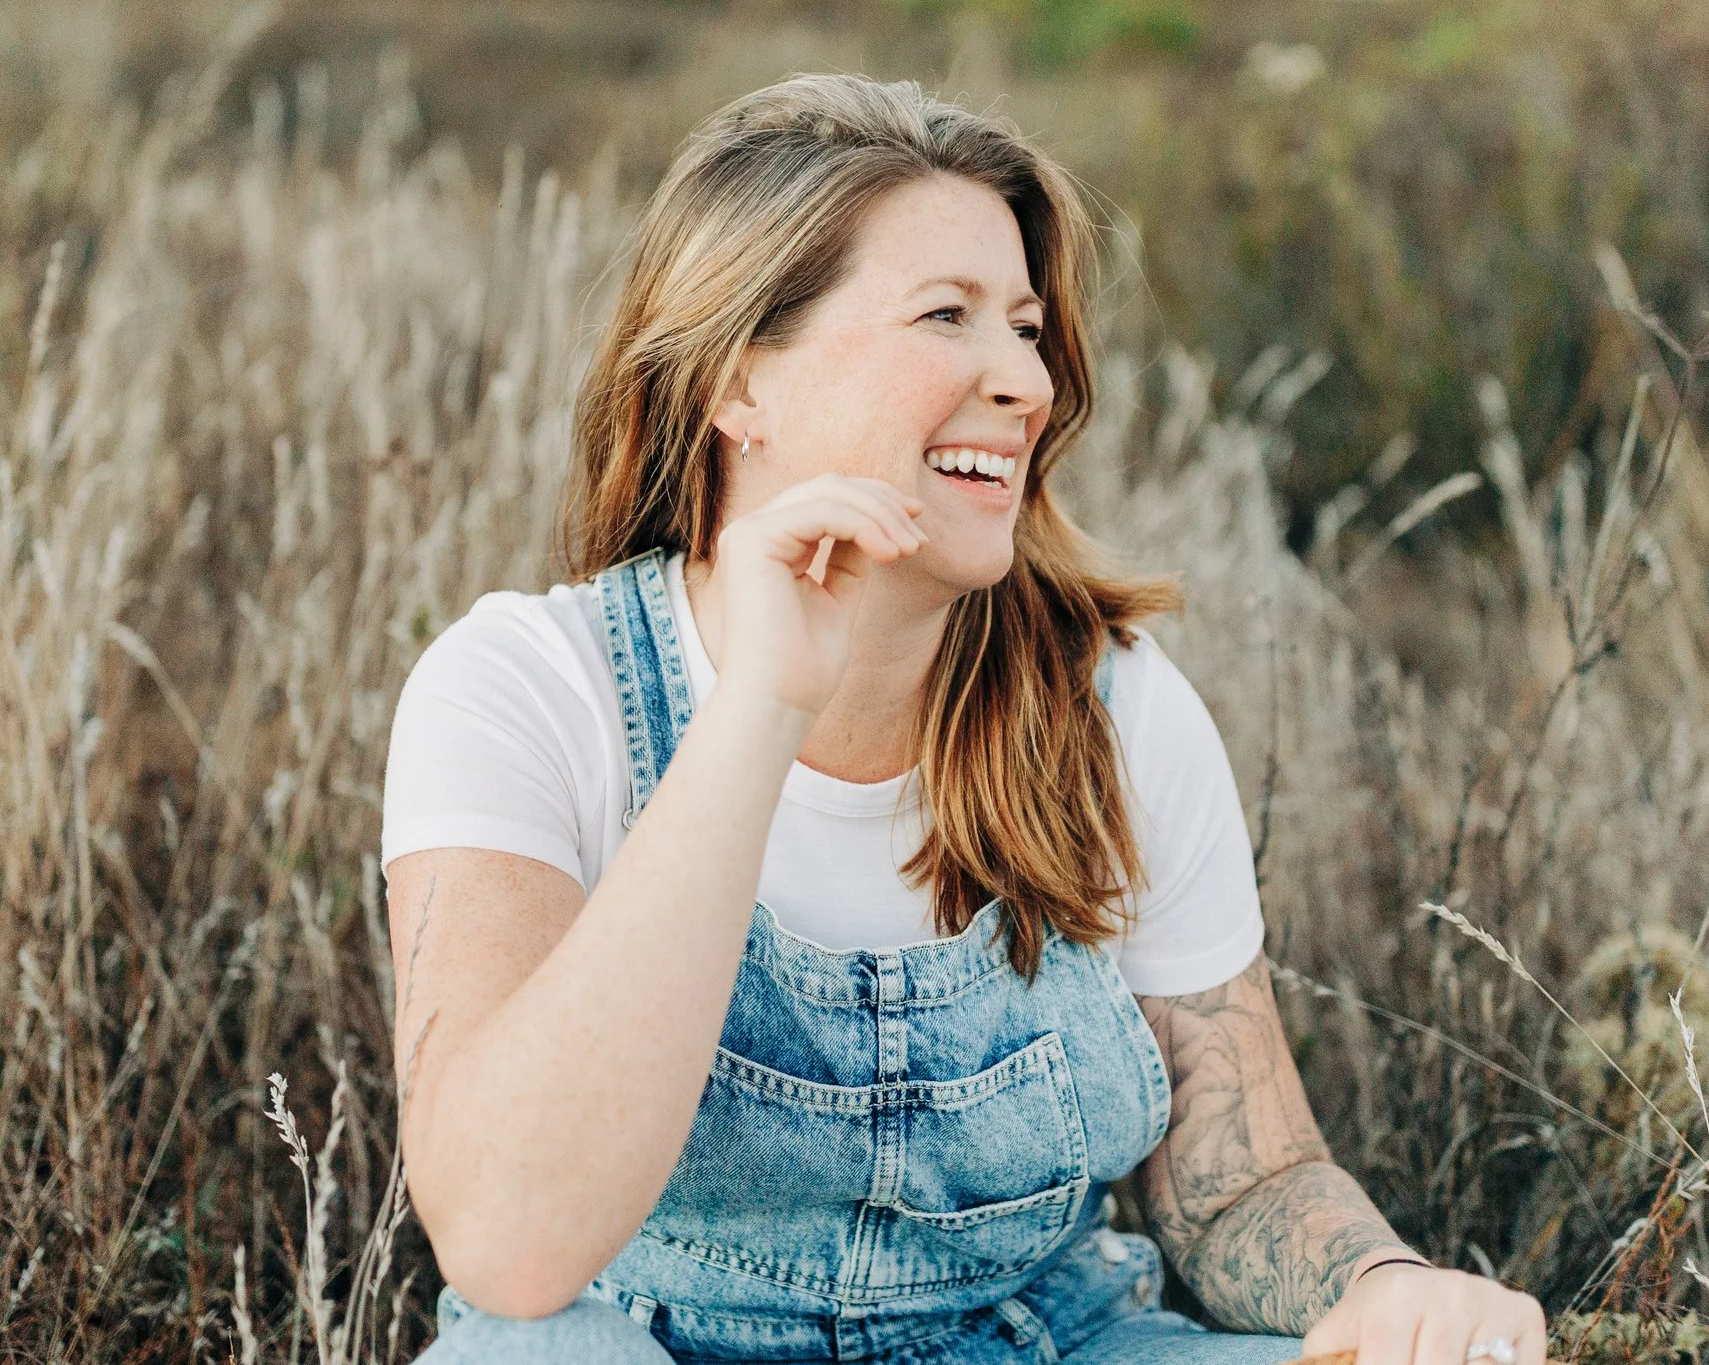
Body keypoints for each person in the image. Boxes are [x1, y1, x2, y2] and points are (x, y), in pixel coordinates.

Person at [378, 73, 1548, 1365]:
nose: (1026, 383)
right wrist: (763, 707)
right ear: (735, 383)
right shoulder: (533, 691)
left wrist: (1381, 1286)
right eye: (948, 317)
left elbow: (1239, 1179)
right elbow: (509, 1241)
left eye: (1028, 327)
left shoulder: (1113, 712)